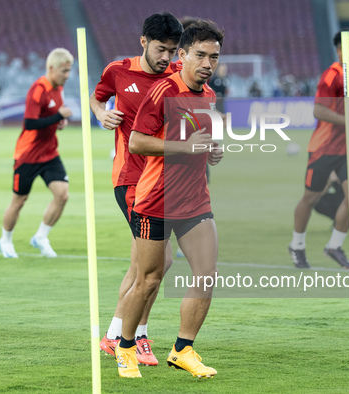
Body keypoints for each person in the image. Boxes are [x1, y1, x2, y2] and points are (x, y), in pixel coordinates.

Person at [115, 20, 224, 379]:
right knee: (148, 279)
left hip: (194, 201)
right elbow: (137, 142)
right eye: (201, 55)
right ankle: (125, 346)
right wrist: (184, 147)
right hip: (155, 201)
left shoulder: (208, 95)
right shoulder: (163, 91)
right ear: (183, 54)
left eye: (214, 57)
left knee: (207, 275)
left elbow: (201, 140)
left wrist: (212, 151)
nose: (208, 63)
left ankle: (183, 349)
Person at [90, 12, 183, 367]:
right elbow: (97, 98)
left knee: (140, 266)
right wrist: (101, 114)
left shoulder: (175, 76)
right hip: (130, 180)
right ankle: (137, 336)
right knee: (159, 262)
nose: (167, 58)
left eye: (173, 51)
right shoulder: (118, 71)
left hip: (162, 180)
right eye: (161, 49)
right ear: (143, 42)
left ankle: (115, 335)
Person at [288, 28, 349, 269]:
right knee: (310, 199)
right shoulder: (331, 75)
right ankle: (297, 245)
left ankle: (334, 246)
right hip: (323, 149)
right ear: (339, 50)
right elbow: (318, 111)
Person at [0, 48, 73, 258]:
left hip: (49, 153)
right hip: (28, 155)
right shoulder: (38, 89)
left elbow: (53, 115)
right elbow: (30, 123)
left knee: (62, 194)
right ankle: (5, 240)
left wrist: (60, 121)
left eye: (69, 71)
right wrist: (58, 115)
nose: (67, 76)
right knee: (19, 200)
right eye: (64, 71)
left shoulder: (59, 89)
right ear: (51, 68)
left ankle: (41, 236)